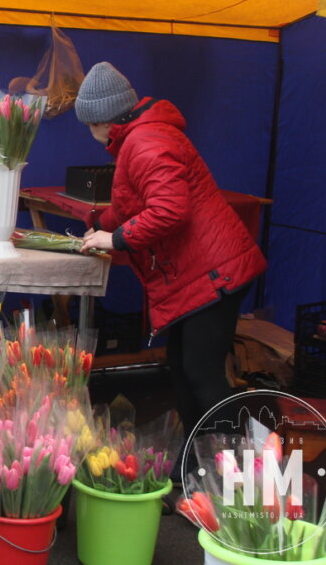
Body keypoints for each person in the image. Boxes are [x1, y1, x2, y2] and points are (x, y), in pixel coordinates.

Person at [76, 62, 266, 440]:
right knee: (182, 367)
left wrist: (113, 239)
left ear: (102, 120)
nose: (88, 132)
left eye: (89, 124)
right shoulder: (143, 137)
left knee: (201, 372)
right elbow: (135, 203)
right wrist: (101, 222)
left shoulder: (145, 142)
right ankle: (197, 462)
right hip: (204, 273)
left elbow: (169, 211)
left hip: (213, 273)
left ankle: (229, 466)